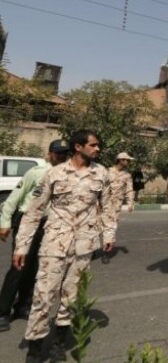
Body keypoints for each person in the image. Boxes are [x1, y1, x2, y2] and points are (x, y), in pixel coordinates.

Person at [13, 130, 116, 362]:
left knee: (71, 297)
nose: (98, 149)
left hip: (83, 245)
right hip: (54, 244)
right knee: (43, 295)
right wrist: (22, 247)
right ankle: (36, 348)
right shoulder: (55, 174)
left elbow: (107, 207)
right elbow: (34, 212)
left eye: (98, 145)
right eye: (93, 145)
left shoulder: (101, 174)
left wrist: (108, 234)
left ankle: (59, 344)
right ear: (78, 147)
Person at [0, 140, 69, 332]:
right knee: (18, 267)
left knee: (35, 268)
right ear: (50, 154)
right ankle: (2, 312)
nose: (61, 157)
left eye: (64, 153)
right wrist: (4, 223)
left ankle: (23, 305)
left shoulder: (67, 176)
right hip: (27, 222)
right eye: (58, 153)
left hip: (48, 226)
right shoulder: (36, 173)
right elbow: (14, 198)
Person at [101, 152, 135, 264]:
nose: (128, 162)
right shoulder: (107, 171)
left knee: (110, 228)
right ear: (121, 160)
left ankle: (106, 252)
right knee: (96, 228)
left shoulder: (127, 175)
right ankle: (92, 249)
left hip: (116, 206)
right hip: (101, 204)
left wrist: (130, 203)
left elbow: (129, 190)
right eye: (127, 160)